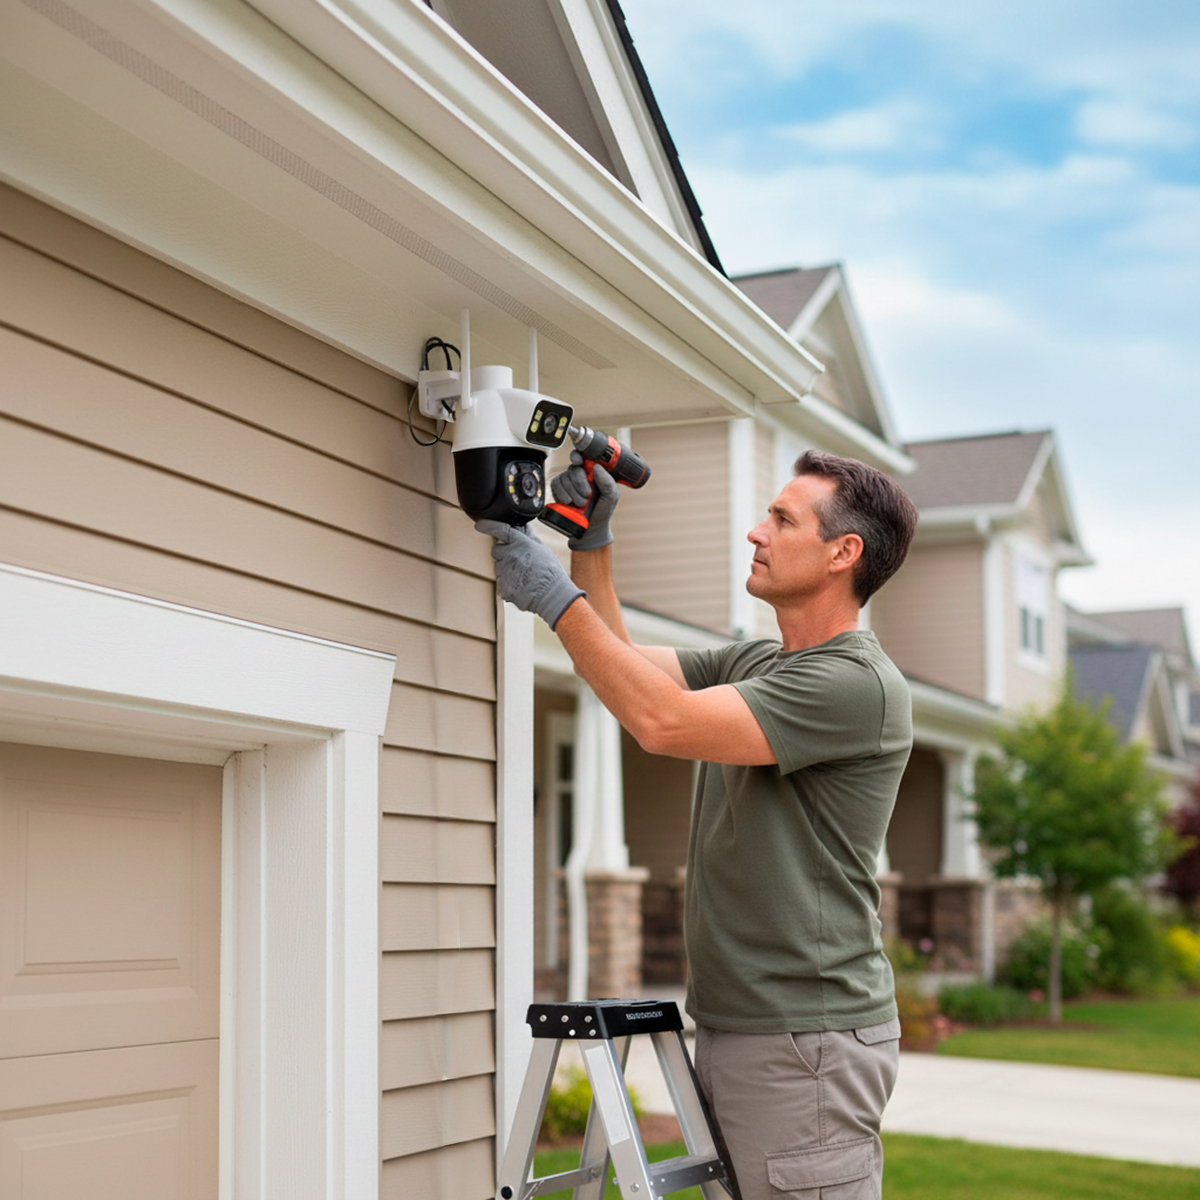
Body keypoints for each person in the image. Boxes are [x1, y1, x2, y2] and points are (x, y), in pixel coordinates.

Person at [476, 448, 919, 1200]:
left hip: (804, 1038)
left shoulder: (854, 685)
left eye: (782, 519)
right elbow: (618, 664)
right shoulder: (761, 663)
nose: (757, 532)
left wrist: (554, 599)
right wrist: (590, 550)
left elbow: (660, 722)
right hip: (740, 1023)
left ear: (845, 553)